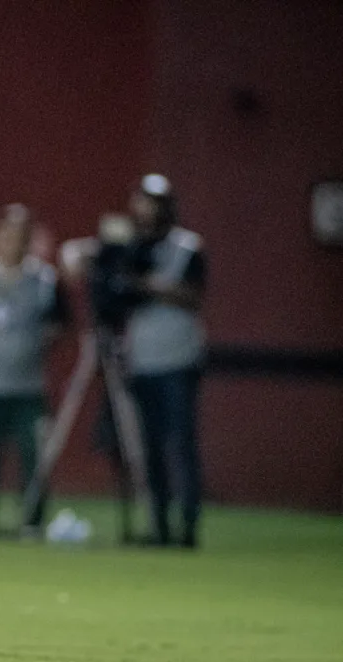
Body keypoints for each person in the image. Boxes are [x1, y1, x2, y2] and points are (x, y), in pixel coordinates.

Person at [0, 204, 68, 535]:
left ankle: (32, 520)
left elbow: (58, 325)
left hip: (28, 386)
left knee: (33, 455)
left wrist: (27, 348)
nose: (12, 242)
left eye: (20, 236)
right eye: (6, 233)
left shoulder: (44, 280)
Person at [125, 174, 206, 548]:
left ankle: (188, 524)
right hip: (141, 359)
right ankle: (158, 523)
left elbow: (193, 295)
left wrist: (148, 285)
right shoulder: (131, 248)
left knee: (181, 444)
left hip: (177, 358)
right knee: (150, 446)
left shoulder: (187, 248)